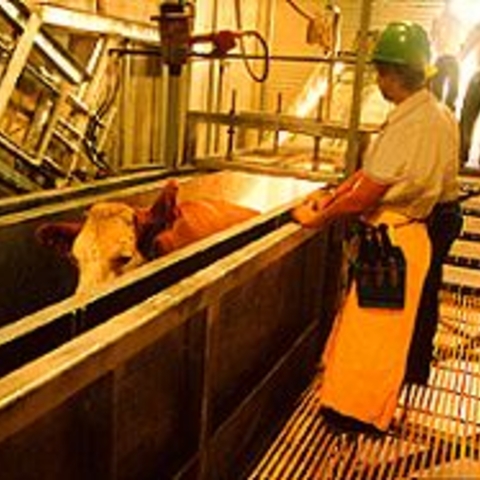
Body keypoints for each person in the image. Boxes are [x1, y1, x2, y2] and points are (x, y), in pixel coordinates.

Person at [292, 21, 461, 433]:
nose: (377, 79)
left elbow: (368, 194)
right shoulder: (439, 115)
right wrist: (334, 193)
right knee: (386, 329)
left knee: (373, 332)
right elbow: (369, 176)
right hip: (416, 232)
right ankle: (373, 400)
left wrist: (320, 215)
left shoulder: (409, 125)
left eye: (379, 72)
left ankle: (356, 413)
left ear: (390, 75)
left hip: (393, 239)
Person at [430, 0, 465, 110]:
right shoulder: (439, 20)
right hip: (444, 57)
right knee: (440, 89)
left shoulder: (456, 21)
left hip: (450, 58)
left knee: (451, 90)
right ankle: (441, 110)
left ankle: (446, 110)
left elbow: (462, 42)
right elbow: (433, 37)